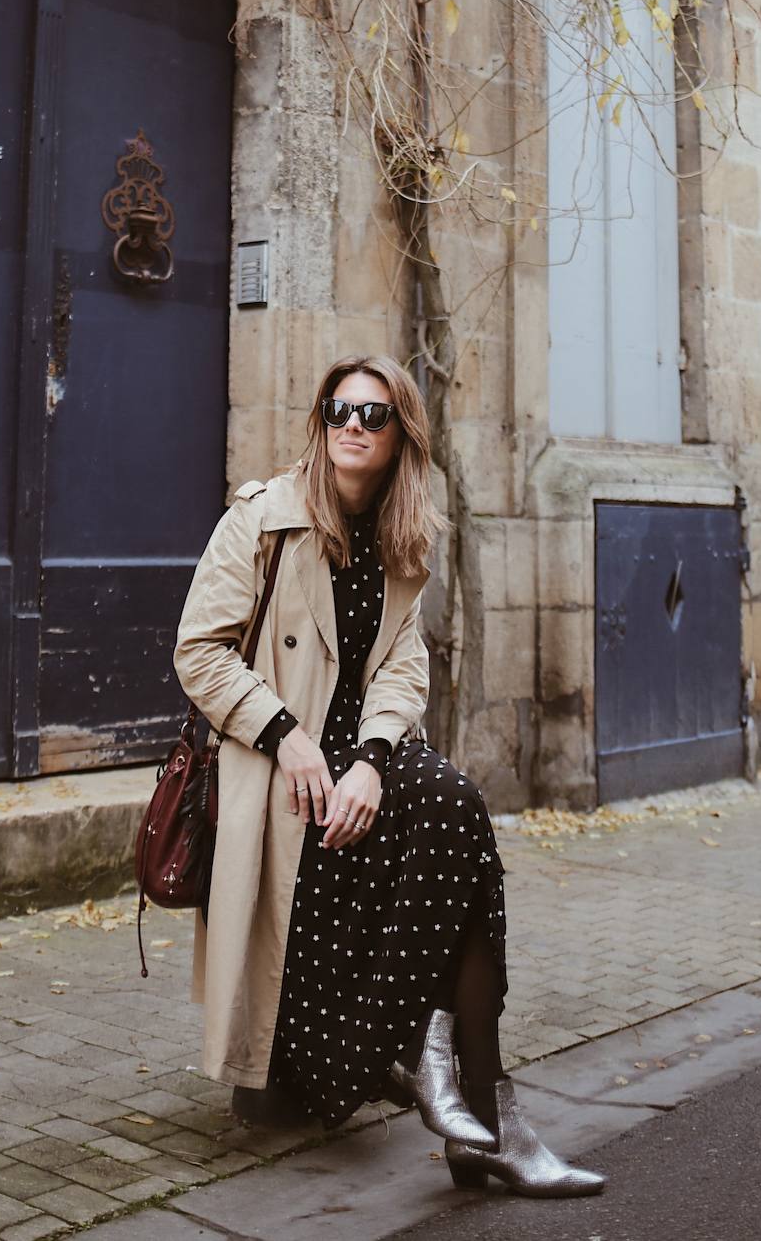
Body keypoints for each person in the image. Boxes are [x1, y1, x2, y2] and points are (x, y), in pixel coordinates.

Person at [172, 354, 604, 1198]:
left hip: (361, 758)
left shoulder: (406, 538)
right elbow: (198, 652)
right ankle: (468, 1097)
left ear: (402, 433)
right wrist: (289, 737)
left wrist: (370, 761)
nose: (350, 426)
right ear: (320, 419)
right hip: (277, 766)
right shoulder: (260, 521)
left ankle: (460, 1086)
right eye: (338, 410)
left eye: (371, 415)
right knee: (459, 826)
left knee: (454, 810)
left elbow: (404, 672)